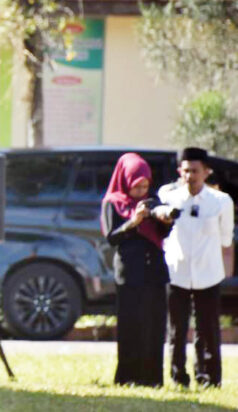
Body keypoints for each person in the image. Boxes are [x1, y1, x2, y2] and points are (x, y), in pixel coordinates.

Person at [159, 147, 234, 388]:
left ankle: (208, 377)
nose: (190, 176)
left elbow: (226, 239)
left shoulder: (221, 202)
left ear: (206, 172)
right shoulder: (170, 197)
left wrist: (226, 264)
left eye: (195, 171)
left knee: (208, 329)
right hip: (177, 271)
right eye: (186, 170)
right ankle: (178, 376)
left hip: (208, 272)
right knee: (177, 329)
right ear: (180, 171)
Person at [101, 152, 173, 387]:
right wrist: (134, 220)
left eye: (145, 185)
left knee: (154, 325)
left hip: (154, 269)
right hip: (130, 271)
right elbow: (112, 237)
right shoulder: (113, 202)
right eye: (137, 186)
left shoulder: (152, 200)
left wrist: (165, 221)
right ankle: (128, 377)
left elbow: (161, 234)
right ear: (125, 181)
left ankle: (152, 378)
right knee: (131, 325)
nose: (142, 191)